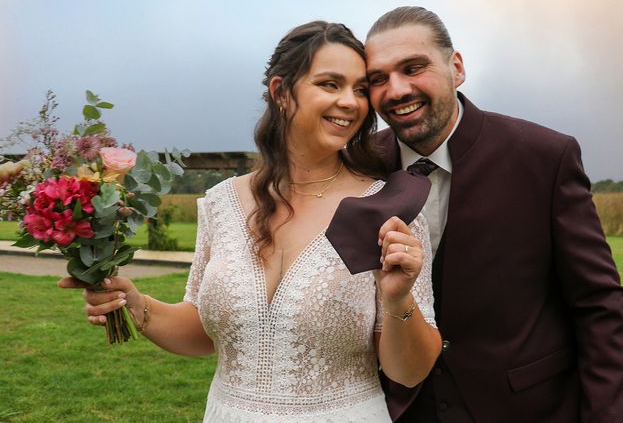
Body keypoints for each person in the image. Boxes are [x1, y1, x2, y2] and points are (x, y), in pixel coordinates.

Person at [59, 21, 442, 422]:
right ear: (280, 92)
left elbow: (409, 371)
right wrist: (134, 302)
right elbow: (203, 330)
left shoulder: (386, 208)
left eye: (360, 90)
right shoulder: (221, 203)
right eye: (330, 84)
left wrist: (398, 299)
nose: (351, 102)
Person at [363, 6, 623, 422]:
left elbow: (598, 305)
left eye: (413, 68)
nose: (396, 90)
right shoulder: (357, 166)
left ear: (456, 67)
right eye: (377, 79)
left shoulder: (545, 157)